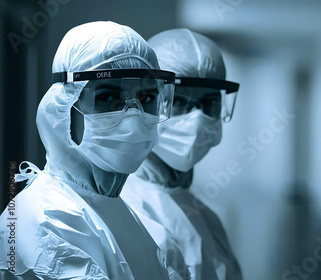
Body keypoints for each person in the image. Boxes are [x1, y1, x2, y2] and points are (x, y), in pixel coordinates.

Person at [0, 21, 189, 279]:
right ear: (65, 107)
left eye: (146, 99)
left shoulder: (115, 209)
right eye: (107, 97)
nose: (133, 118)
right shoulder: (47, 220)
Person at [120, 28, 242, 279]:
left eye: (208, 103)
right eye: (179, 101)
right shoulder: (124, 209)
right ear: (143, 103)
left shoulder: (206, 218)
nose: (196, 119)